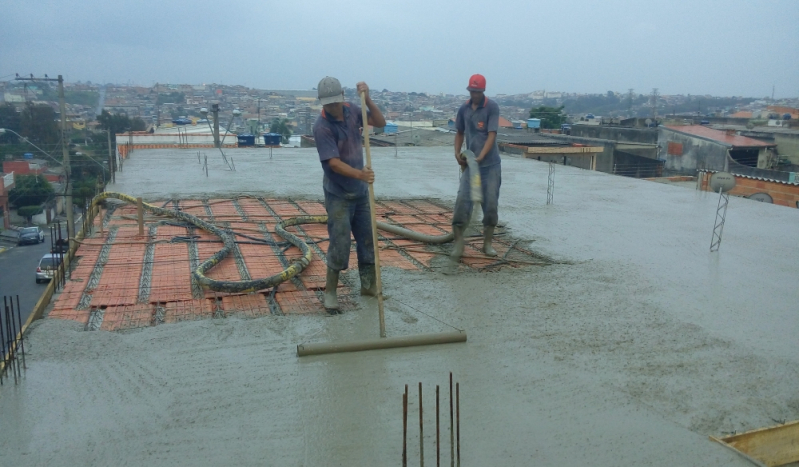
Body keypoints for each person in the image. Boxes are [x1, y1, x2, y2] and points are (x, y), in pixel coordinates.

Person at [313, 76, 386, 313]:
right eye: (328, 104)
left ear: (342, 98)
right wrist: (360, 175)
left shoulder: (353, 110)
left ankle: (368, 285)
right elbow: (333, 163)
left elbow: (380, 122)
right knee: (340, 241)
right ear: (322, 103)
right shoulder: (322, 126)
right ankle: (331, 292)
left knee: (367, 239)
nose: (333, 108)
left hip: (360, 192)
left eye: (335, 102)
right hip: (338, 194)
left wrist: (368, 99)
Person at [451, 73, 502, 262]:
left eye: (478, 92)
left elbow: (491, 134)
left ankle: (487, 243)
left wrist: (481, 156)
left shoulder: (492, 107)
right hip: (471, 166)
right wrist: (457, 153)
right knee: (462, 202)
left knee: (490, 206)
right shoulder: (463, 108)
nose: (475, 95)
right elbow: (459, 133)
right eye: (472, 91)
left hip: (490, 166)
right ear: (469, 90)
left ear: (483, 91)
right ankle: (458, 243)